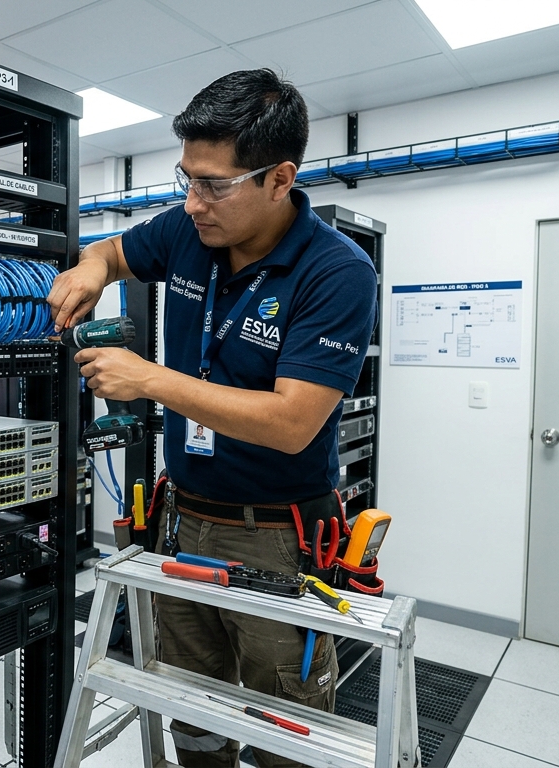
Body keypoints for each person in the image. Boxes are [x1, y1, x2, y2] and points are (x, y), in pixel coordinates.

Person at [47, 69, 376, 768]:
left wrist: (151, 381)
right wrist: (91, 268)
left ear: (279, 179)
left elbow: (293, 422)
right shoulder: (188, 231)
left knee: (286, 729)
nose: (194, 202)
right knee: (189, 707)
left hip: (277, 539)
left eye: (215, 185)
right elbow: (114, 251)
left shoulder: (336, 271)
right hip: (183, 518)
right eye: (186, 179)